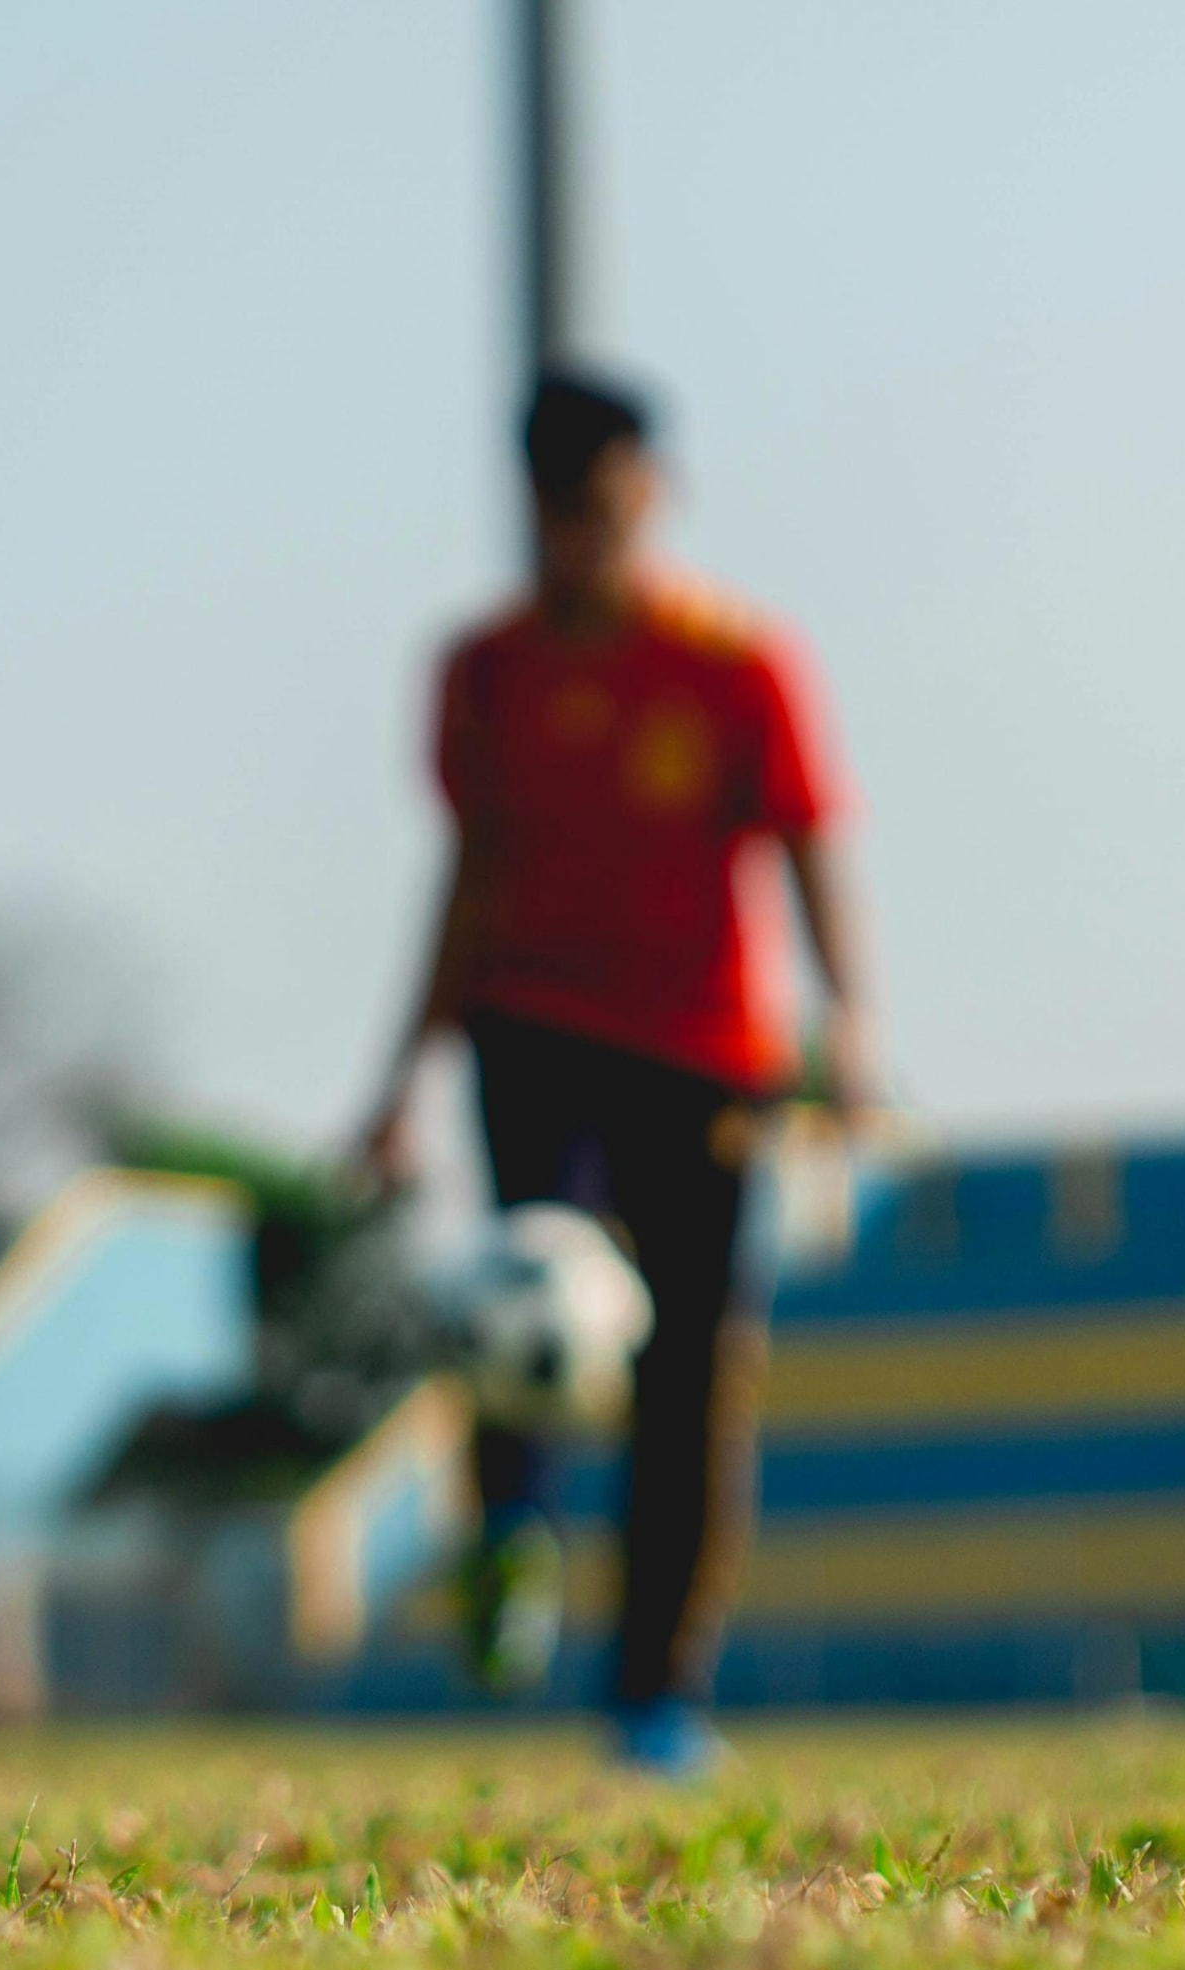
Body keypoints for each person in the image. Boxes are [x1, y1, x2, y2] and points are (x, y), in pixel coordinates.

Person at [364, 368, 880, 1778]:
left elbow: (807, 844)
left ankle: (656, 1692)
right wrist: (398, 1081)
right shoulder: (486, 673)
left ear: (650, 492)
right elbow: (465, 876)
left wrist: (852, 1036)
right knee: (526, 1290)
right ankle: (511, 1534)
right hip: (532, 1032)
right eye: (556, 510)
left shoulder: (735, 663)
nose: (583, 534)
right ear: (527, 507)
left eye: (605, 504)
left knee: (693, 1376)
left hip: (707, 1060)